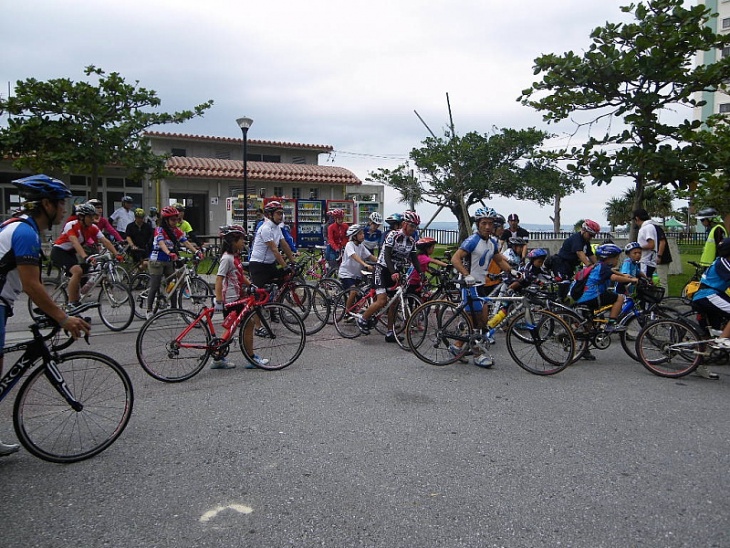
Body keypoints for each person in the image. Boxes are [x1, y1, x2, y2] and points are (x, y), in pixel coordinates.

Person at [0, 175, 89, 457]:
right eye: (61, 204)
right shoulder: (25, 233)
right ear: (47, 204)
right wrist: (63, 318)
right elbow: (32, 285)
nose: (64, 210)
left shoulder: (16, 225)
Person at [450, 207, 514, 367]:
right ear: (478, 224)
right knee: (478, 321)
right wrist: (466, 274)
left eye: (490, 224)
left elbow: (499, 260)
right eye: (484, 223)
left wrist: (513, 271)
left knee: (480, 321)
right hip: (469, 285)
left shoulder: (492, 242)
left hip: (481, 285)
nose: (487, 227)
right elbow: (455, 259)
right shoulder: (472, 241)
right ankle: (478, 355)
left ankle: (457, 346)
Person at [357, 210, 422, 343]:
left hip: (395, 273)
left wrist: (421, 274)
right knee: (382, 300)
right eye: (411, 226)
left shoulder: (411, 240)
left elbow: (415, 259)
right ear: (404, 224)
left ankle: (390, 332)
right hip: (382, 270)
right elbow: (386, 255)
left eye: (415, 227)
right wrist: (393, 272)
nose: (413, 229)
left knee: (394, 303)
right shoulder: (393, 235)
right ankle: (362, 319)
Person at [212, 225, 269, 370]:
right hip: (231, 299)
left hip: (236, 297)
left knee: (234, 328)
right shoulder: (227, 259)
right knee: (245, 325)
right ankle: (251, 359)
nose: (244, 242)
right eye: (242, 239)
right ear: (233, 240)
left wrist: (252, 285)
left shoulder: (234, 258)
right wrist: (219, 300)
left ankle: (219, 357)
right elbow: (219, 279)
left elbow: (240, 276)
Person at [50, 203, 122, 307]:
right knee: (77, 271)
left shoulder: (92, 227)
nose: (93, 219)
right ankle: (71, 304)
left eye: (94, 216)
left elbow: (105, 241)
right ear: (81, 217)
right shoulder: (71, 225)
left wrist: (116, 254)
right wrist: (86, 257)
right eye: (90, 216)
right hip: (59, 251)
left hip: (71, 253)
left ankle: (75, 304)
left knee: (85, 271)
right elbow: (75, 242)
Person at [146, 206, 200, 319]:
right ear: (166, 220)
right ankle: (149, 310)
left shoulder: (176, 231)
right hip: (157, 260)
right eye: (173, 220)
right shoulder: (159, 230)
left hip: (169, 260)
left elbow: (185, 242)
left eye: (177, 219)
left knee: (173, 284)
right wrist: (168, 252)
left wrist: (196, 251)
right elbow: (161, 243)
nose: (175, 222)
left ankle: (174, 309)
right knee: (155, 285)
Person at [575, 243, 639, 333]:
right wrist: (632, 280)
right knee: (619, 298)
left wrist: (626, 276)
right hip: (593, 296)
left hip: (585, 296)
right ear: (609, 259)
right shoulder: (604, 268)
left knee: (589, 324)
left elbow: (613, 272)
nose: (617, 260)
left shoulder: (600, 265)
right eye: (616, 258)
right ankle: (611, 324)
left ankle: (583, 339)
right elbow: (614, 277)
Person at [690, 239, 730, 379]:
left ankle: (698, 365)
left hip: (713, 295)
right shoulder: (723, 262)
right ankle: (723, 339)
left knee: (706, 334)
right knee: (710, 335)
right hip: (707, 295)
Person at [248, 201, 297, 290]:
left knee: (282, 282)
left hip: (270, 264)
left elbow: (284, 245)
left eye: (282, 214)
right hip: (259, 265)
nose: (281, 216)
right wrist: (285, 266)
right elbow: (274, 249)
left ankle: (275, 302)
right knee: (259, 295)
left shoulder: (277, 228)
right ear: (270, 215)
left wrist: (293, 262)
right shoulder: (266, 228)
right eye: (278, 214)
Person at [550, 219, 600, 299]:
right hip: (561, 263)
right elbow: (579, 253)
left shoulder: (585, 241)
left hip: (570, 266)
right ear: (584, 231)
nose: (591, 238)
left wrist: (598, 265)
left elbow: (590, 254)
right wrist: (589, 265)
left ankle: (563, 301)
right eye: (590, 235)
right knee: (564, 283)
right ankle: (557, 302)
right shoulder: (577, 239)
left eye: (593, 236)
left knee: (569, 285)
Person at [338, 224, 376, 313]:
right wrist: (364, 264)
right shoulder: (349, 245)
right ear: (354, 236)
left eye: (363, 233)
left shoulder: (361, 246)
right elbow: (354, 256)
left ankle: (354, 309)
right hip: (346, 274)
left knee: (362, 292)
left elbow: (370, 256)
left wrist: (381, 261)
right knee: (353, 291)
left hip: (356, 275)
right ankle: (347, 312)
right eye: (360, 234)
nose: (363, 236)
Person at [633, 208, 657, 277]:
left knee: (644, 284)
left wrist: (637, 248)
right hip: (645, 261)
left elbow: (651, 245)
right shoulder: (648, 227)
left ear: (637, 218)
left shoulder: (647, 227)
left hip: (646, 262)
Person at [654, 223, 672, 289]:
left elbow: (662, 242)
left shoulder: (656, 228)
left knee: (662, 281)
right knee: (655, 281)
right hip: (654, 259)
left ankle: (664, 298)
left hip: (662, 259)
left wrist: (659, 256)